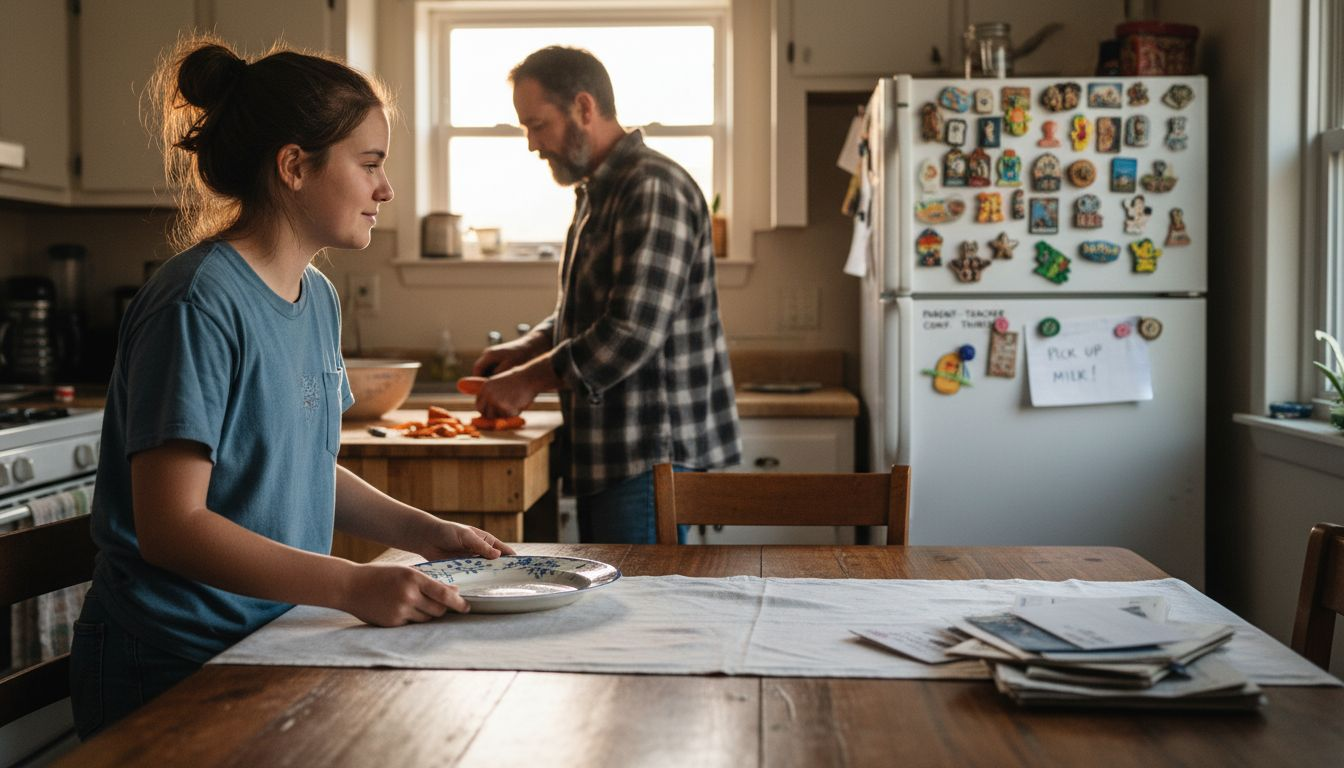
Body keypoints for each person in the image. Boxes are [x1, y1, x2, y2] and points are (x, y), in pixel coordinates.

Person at [69, 37, 514, 740]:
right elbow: (170, 527)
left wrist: (427, 533)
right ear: (294, 166)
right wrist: (351, 583)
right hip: (169, 661)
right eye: (369, 164)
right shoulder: (197, 303)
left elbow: (303, 464)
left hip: (270, 637)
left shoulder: (318, 298)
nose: (385, 189)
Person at [469, 46, 741, 544]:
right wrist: (525, 349)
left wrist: (530, 379)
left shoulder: (651, 187)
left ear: (584, 108)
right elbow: (587, 313)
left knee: (642, 616)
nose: (532, 144)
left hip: (648, 457)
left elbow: (632, 331)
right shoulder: (601, 191)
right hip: (617, 454)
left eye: (538, 125)